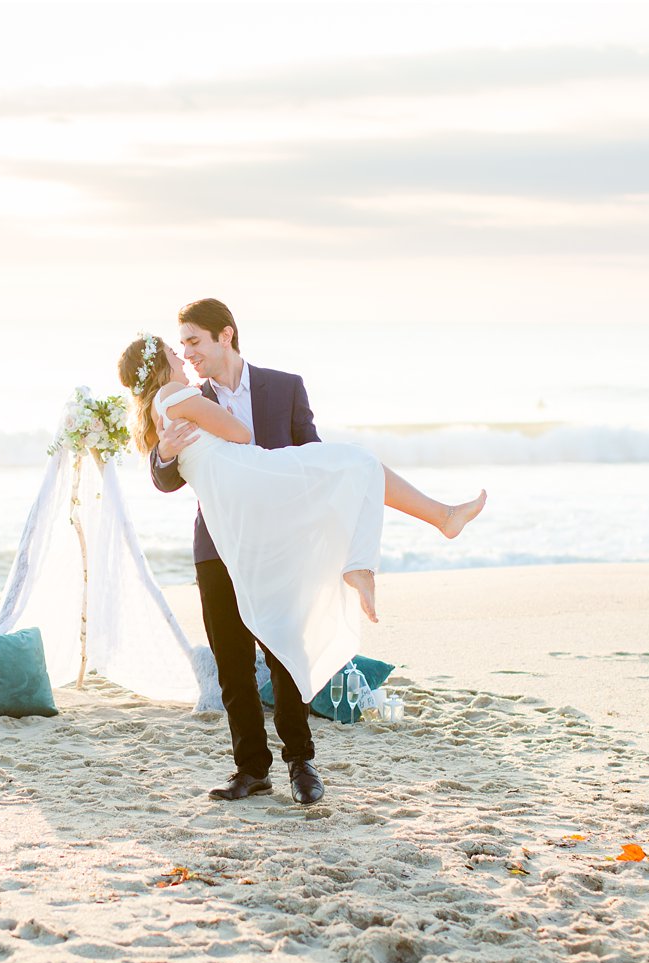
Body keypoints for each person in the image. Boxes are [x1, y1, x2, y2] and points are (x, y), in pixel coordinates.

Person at [119, 299, 486, 806]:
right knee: (231, 661)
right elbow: (162, 477)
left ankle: (301, 762)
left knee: (285, 650)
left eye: (194, 341)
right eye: (180, 345)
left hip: (279, 538)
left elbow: (309, 457)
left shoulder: (284, 386)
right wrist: (165, 449)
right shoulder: (185, 395)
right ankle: (251, 770)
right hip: (219, 541)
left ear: (226, 335)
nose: (187, 352)